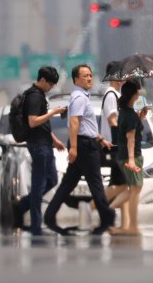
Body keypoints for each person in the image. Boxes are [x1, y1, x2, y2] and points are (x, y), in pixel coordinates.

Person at [43, 64, 116, 235]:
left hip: (86, 142)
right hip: (84, 146)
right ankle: (107, 218)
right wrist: (74, 148)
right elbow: (75, 122)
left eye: (90, 75)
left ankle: (49, 215)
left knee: (69, 182)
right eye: (85, 76)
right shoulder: (79, 98)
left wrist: (99, 138)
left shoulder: (82, 96)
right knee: (96, 183)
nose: (89, 78)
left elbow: (85, 124)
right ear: (76, 80)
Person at [14, 66, 66, 235]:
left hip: (45, 143)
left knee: (52, 179)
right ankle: (36, 225)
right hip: (38, 145)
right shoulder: (35, 96)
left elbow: (43, 124)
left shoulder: (39, 95)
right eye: (50, 84)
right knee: (39, 185)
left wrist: (55, 140)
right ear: (42, 80)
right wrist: (53, 112)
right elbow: (33, 121)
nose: (51, 87)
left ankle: (22, 206)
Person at [108, 80, 146, 236]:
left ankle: (108, 211)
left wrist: (141, 116)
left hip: (125, 155)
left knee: (133, 189)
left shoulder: (126, 112)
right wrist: (131, 159)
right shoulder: (129, 114)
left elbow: (133, 130)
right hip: (132, 156)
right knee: (135, 190)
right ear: (132, 95)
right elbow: (130, 138)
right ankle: (132, 226)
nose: (139, 95)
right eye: (137, 93)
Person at [99, 62, 128, 225]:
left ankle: (112, 217)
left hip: (117, 147)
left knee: (119, 184)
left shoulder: (116, 95)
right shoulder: (111, 95)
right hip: (115, 146)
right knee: (123, 185)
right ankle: (97, 208)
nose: (122, 79)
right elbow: (112, 120)